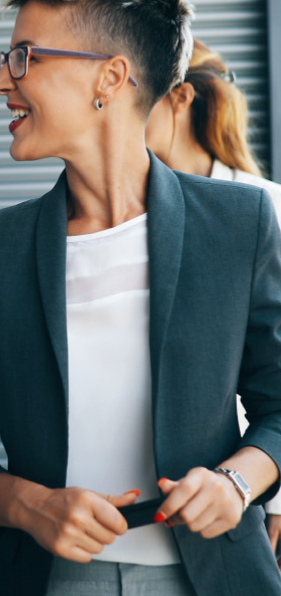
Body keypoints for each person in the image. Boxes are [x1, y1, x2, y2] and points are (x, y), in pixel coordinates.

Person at [0, 0, 281, 594]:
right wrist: (31, 507)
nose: (1, 82)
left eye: (23, 57)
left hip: (214, 574)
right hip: (45, 579)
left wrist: (237, 482)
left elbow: (278, 407)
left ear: (110, 77)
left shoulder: (240, 223)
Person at [145, 38, 281, 563]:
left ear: (179, 98)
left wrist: (272, 494)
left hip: (248, 487)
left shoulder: (263, 206)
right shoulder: (122, 213)